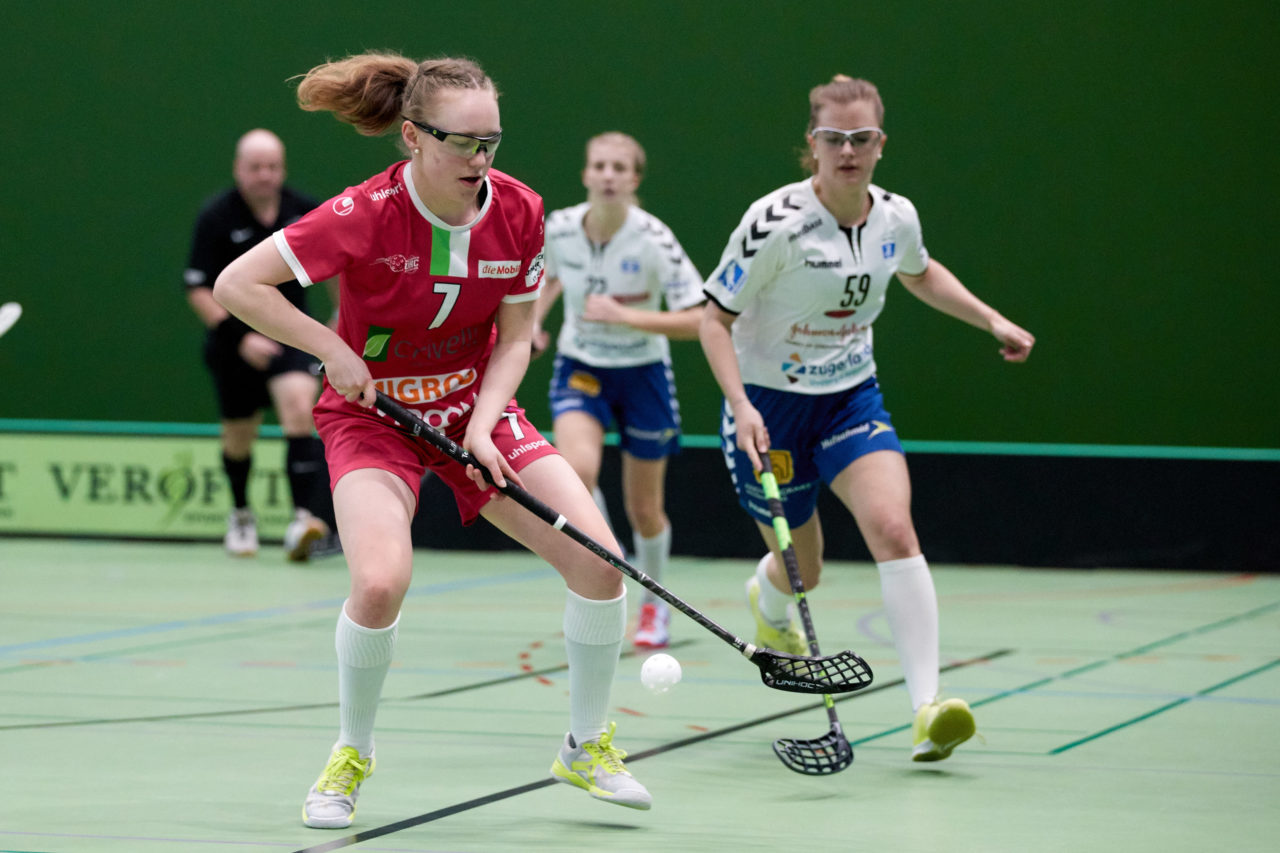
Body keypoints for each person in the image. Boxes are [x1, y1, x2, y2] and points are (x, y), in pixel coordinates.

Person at [213, 52, 652, 829]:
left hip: (471, 408)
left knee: (599, 560)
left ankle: (585, 744)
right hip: (373, 417)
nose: (481, 162)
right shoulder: (362, 214)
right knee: (380, 581)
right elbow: (236, 285)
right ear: (412, 136)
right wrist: (333, 350)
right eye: (463, 144)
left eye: (493, 143)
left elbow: (517, 335)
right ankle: (351, 753)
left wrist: (484, 422)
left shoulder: (519, 210)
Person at [699, 75, 1035, 763]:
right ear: (812, 144)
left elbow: (919, 271)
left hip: (851, 398)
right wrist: (741, 409)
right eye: (833, 138)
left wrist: (991, 318)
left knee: (893, 527)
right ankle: (768, 599)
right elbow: (713, 318)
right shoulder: (774, 223)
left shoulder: (895, 217)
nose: (847, 150)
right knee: (805, 570)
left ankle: (927, 709)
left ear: (880, 144)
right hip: (771, 409)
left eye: (861, 138)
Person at [533, 132, 704, 650]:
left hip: (643, 373)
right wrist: (535, 324)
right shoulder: (559, 228)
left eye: (619, 168)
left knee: (645, 508)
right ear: (586, 174)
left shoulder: (654, 239)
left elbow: (698, 318)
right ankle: (612, 558)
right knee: (577, 473)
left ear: (634, 179)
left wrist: (625, 315)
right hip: (581, 366)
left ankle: (655, 605)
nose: (608, 175)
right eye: (599, 166)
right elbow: (544, 279)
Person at [184, 129, 332, 560]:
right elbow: (197, 288)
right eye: (255, 167)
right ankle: (241, 513)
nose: (264, 175)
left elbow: (338, 268)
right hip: (234, 342)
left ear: (282, 169)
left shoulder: (304, 210)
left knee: (300, 409)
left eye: (272, 167)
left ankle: (303, 519)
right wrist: (243, 336)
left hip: (291, 333)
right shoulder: (216, 216)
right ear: (239, 169)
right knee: (239, 435)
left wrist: (338, 319)